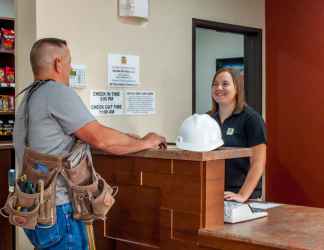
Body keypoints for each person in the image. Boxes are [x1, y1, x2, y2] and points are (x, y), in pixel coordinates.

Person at [13, 38, 166, 249]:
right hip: (60, 211)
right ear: (58, 63)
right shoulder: (57, 92)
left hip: (33, 210)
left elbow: (78, 135)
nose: (70, 67)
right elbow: (101, 138)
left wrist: (132, 139)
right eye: (69, 61)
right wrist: (147, 141)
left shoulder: (28, 98)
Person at [209, 68, 267, 202]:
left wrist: (242, 195)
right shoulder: (208, 120)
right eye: (215, 84)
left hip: (242, 196)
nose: (218, 88)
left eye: (225, 84)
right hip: (213, 192)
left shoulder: (251, 119)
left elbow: (258, 162)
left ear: (237, 88)